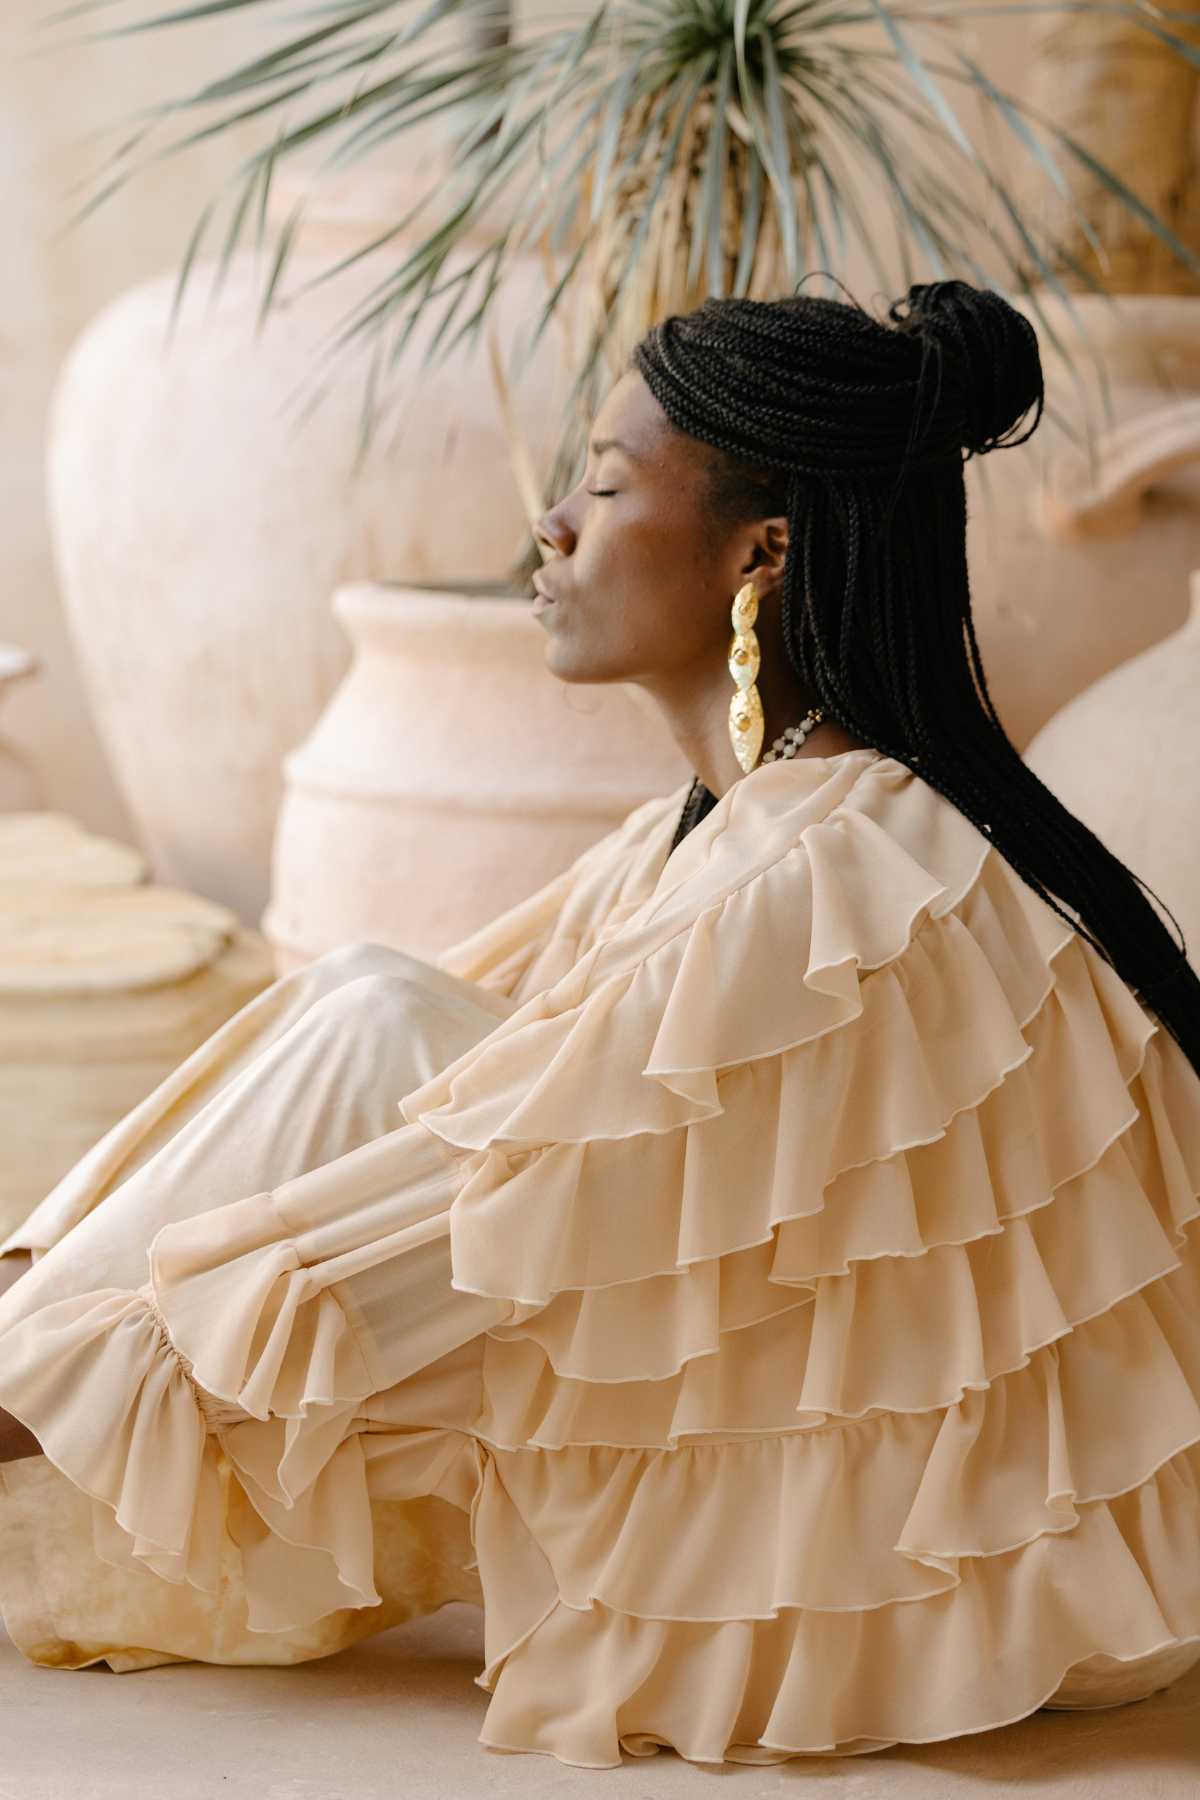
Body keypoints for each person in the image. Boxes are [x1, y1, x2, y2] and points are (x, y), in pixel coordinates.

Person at [1, 279, 1198, 1769]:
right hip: (910, 1522)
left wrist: (52, 1377)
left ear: (761, 552)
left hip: (944, 1570)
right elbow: (483, 1107)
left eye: (610, 487)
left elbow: (478, 1221)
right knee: (375, 1022)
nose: (551, 530)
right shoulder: (734, 838)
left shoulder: (825, 884)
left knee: (369, 1028)